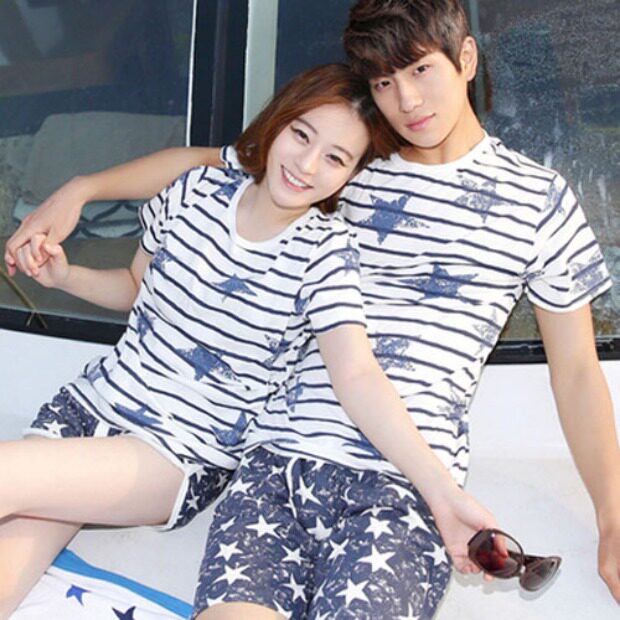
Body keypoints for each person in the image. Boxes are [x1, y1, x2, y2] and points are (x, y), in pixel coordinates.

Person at [5, 0, 619, 617]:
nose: (407, 101)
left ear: (466, 58)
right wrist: (81, 189)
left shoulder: (538, 199)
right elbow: (208, 165)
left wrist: (612, 518)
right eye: (384, 82)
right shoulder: (346, 160)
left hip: (402, 483)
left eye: (420, 70)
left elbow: (575, 372)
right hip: (273, 460)